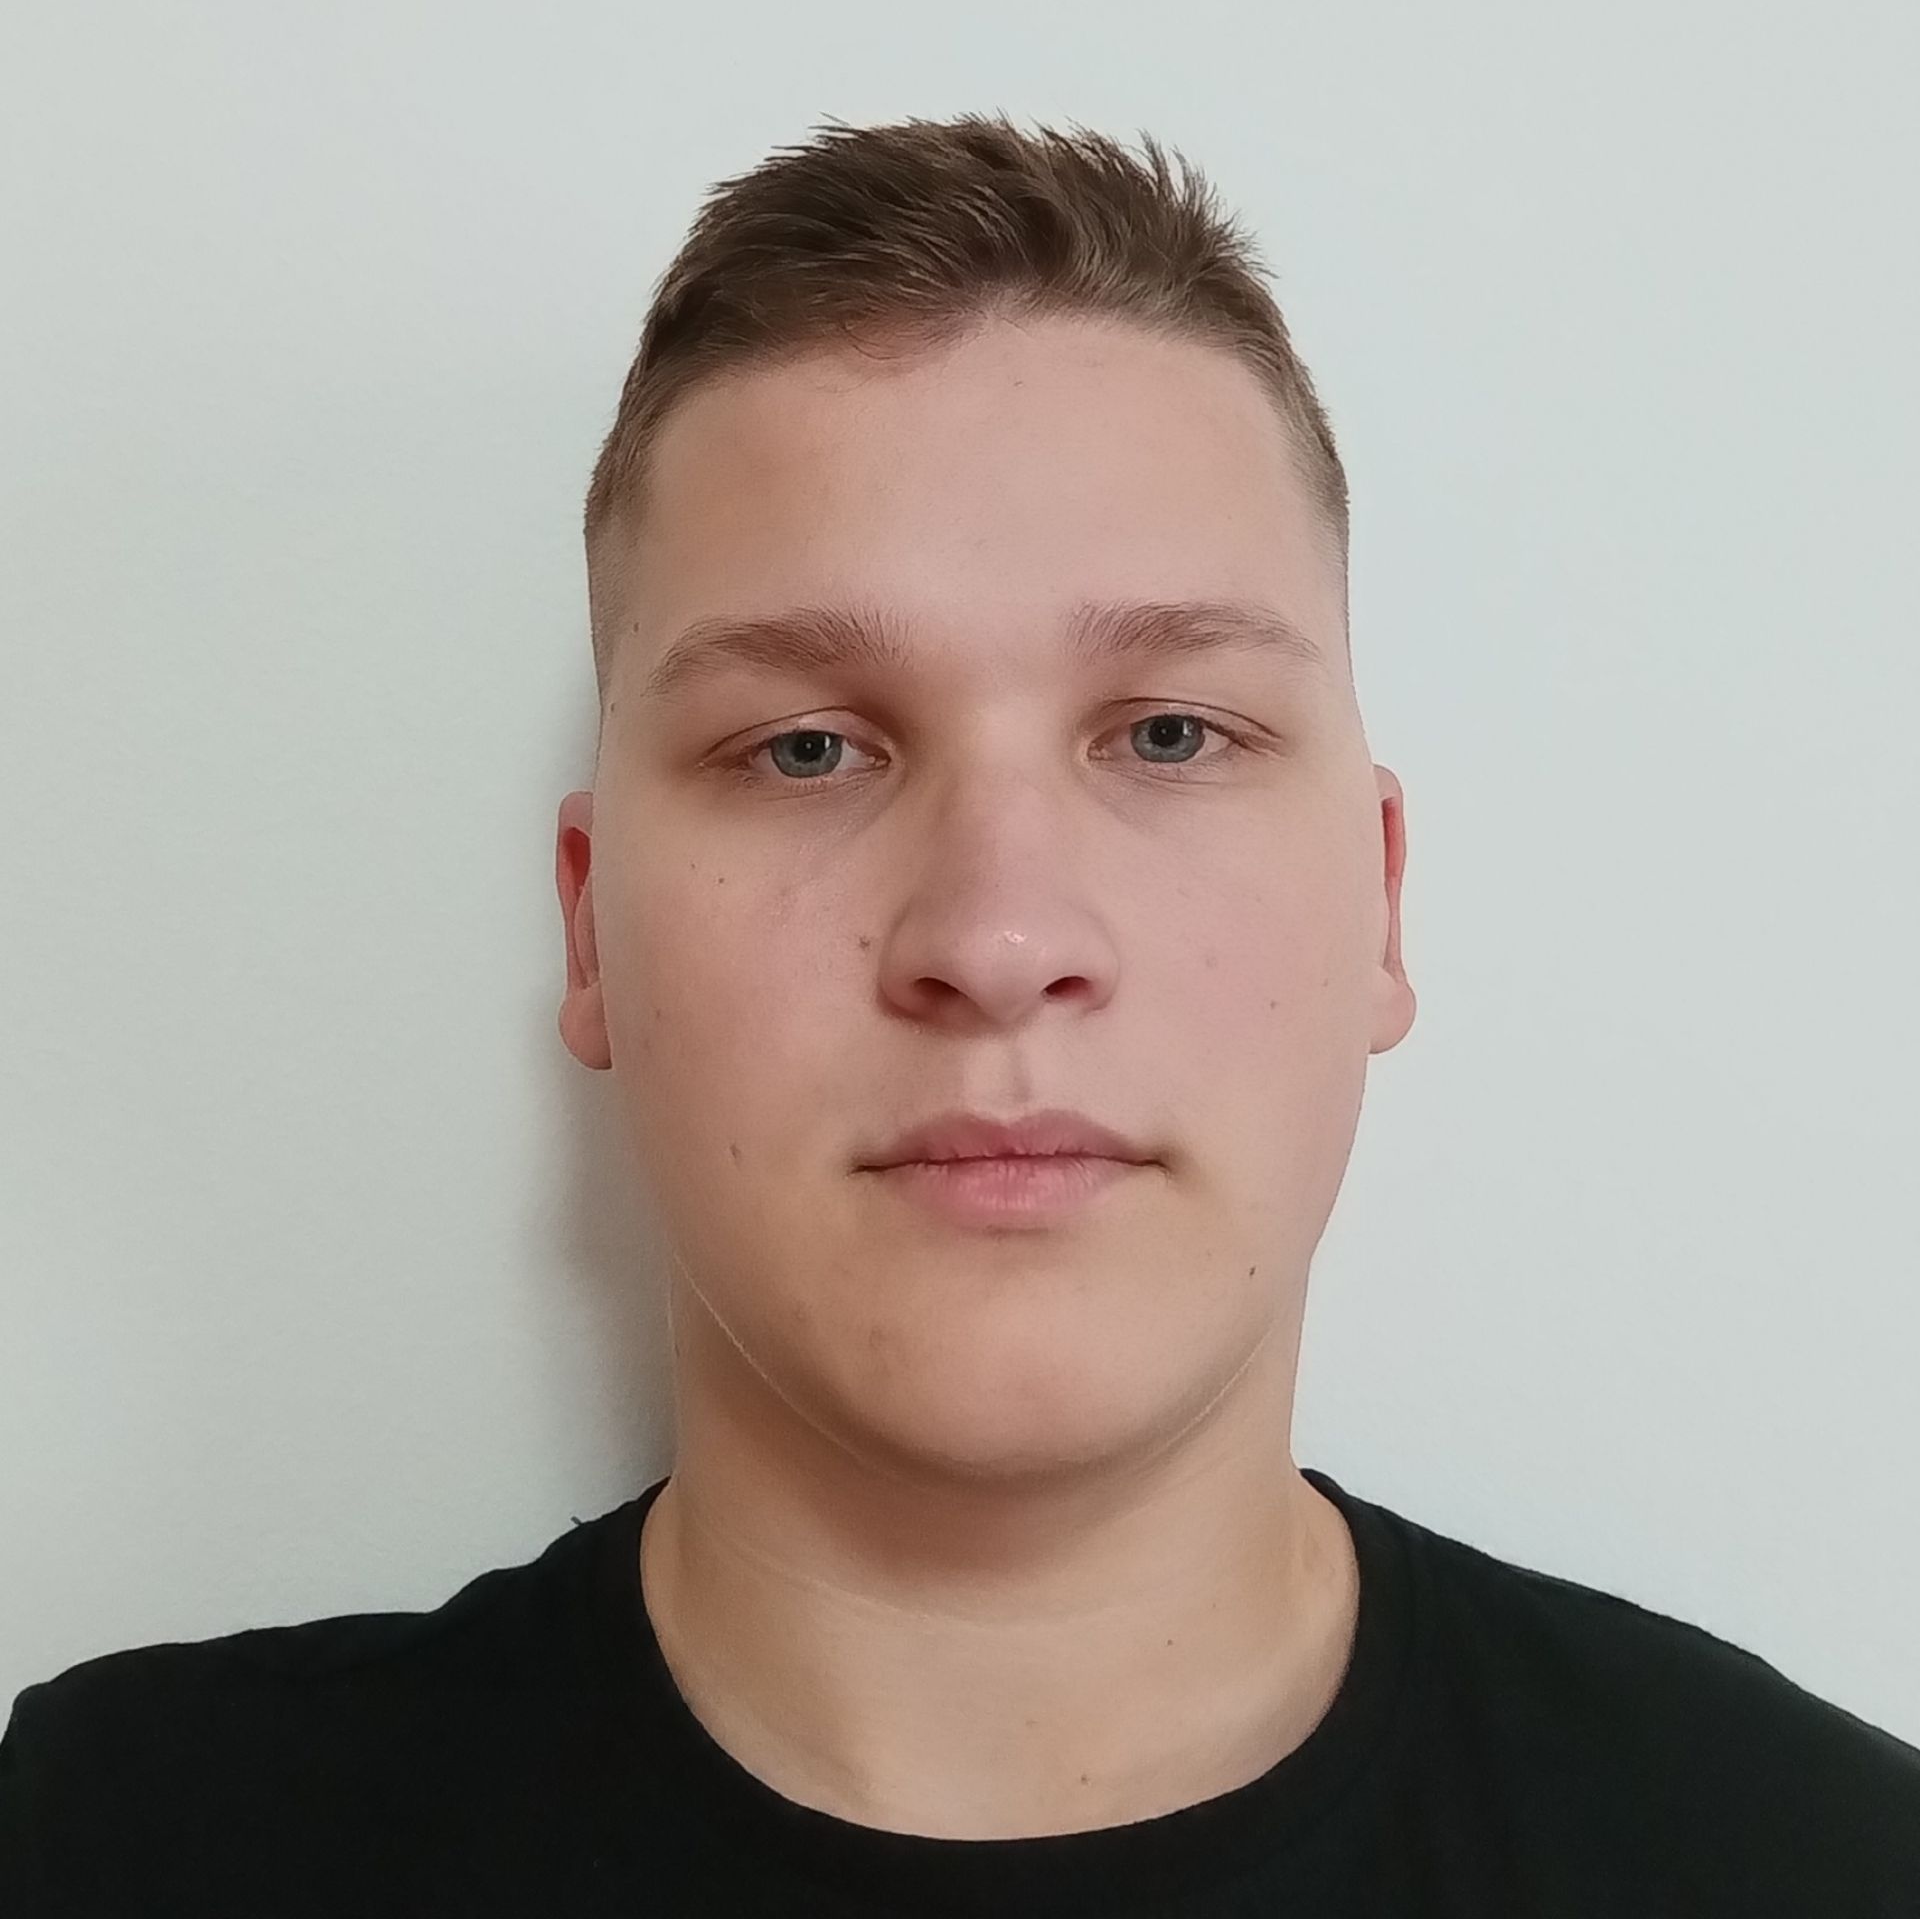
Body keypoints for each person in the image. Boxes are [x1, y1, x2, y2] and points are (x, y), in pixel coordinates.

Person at [4, 111, 1915, 1918]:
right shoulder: (112, 1849)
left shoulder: (1820, 1868)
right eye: (807, 747)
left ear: (1384, 901)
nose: (998, 939)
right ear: (589, 930)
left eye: (1171, 734)